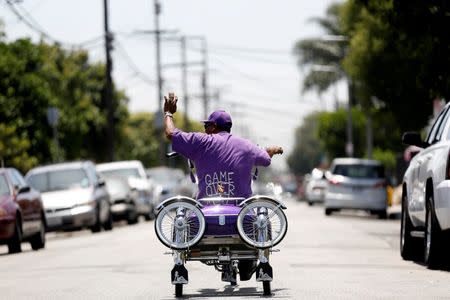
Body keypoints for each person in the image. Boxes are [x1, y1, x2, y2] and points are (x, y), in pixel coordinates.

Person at [163, 92, 283, 199]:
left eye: (206, 126)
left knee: (186, 220)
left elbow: (170, 133)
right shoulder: (247, 145)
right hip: (241, 215)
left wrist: (168, 113)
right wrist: (270, 151)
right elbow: (266, 160)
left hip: (206, 214)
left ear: (214, 126)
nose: (205, 130)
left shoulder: (201, 141)